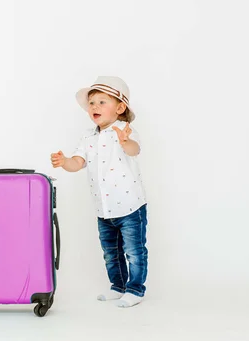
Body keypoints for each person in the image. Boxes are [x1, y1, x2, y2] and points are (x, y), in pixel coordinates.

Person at [50, 76, 148, 308]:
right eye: (92, 103)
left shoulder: (125, 130)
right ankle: (118, 286)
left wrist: (125, 142)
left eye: (102, 102)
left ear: (120, 108)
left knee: (134, 251)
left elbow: (135, 150)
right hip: (103, 209)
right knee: (110, 253)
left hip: (130, 206)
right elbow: (77, 162)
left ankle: (135, 289)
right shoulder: (88, 137)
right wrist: (65, 161)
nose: (95, 106)